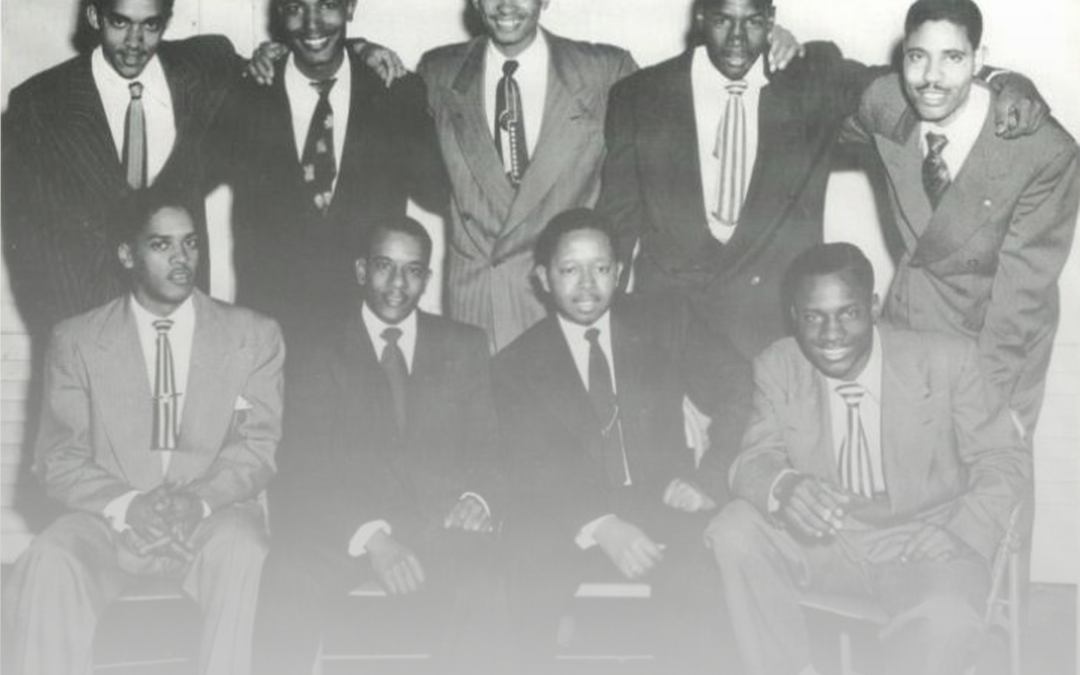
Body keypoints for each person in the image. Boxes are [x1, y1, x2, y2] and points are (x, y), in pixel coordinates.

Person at [597, 0, 1047, 360]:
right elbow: (617, 223)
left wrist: (1001, 78)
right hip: (670, 332)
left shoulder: (811, 78)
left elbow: (911, 81)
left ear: (772, 18)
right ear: (699, 16)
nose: (736, 38)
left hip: (771, 332)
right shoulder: (640, 96)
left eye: (752, 21)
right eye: (722, 19)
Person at [706, 242, 1031, 675]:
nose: (831, 334)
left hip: (926, 543)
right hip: (826, 543)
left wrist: (960, 533)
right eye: (813, 317)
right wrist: (785, 487)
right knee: (734, 528)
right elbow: (752, 459)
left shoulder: (947, 360)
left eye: (848, 313)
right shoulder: (778, 365)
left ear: (873, 308)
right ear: (794, 316)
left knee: (947, 619)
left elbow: (1004, 459)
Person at [2, 188, 285, 675]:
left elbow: (257, 449)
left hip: (211, 519)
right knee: (49, 559)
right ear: (127, 254)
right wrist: (129, 506)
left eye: (190, 243)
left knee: (247, 550)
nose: (182, 259)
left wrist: (196, 503)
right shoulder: (76, 340)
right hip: (109, 521)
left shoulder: (253, 336)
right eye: (161, 245)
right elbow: (58, 459)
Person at [0, 0, 399, 335]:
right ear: (94, 16)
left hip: (184, 328)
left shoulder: (208, 66)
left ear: (167, 20)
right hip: (85, 331)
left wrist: (361, 48)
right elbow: (30, 247)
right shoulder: (38, 105)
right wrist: (73, 341)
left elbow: (307, 55)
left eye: (150, 25)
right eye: (120, 23)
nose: (135, 43)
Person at [493, 208, 752, 673]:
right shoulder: (515, 365)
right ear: (543, 278)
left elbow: (739, 384)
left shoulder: (665, 320)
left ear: (618, 272)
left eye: (600, 268)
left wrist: (709, 478)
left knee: (706, 563)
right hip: (569, 514)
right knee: (525, 555)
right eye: (569, 270)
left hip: (664, 500)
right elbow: (528, 468)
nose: (587, 284)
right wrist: (600, 524)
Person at [253, 217, 504, 674]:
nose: (398, 283)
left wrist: (477, 498)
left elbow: (489, 446)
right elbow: (301, 465)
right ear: (361, 270)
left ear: (427, 278)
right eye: (385, 266)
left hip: (438, 526)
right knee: (287, 580)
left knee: (487, 582)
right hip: (343, 531)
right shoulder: (315, 348)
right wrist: (373, 538)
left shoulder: (464, 344)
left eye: (413, 270)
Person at [840, 0, 1080, 440]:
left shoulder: (1043, 152)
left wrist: (987, 408)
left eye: (952, 57)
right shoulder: (885, 102)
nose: (931, 78)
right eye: (918, 56)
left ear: (979, 59)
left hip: (995, 346)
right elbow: (822, 93)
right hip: (908, 327)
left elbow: (1019, 304)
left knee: (982, 469)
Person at [209, 0, 445, 345]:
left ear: (351, 6)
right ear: (278, 12)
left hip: (365, 341)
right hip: (274, 338)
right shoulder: (244, 93)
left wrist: (359, 46)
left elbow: (437, 192)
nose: (312, 23)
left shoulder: (397, 92)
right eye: (295, 7)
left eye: (328, 5)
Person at [416, 0, 637, 351]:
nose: (506, 5)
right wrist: (360, 47)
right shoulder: (438, 70)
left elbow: (639, 184)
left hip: (568, 301)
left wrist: (603, 274)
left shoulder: (606, 71)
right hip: (478, 304)